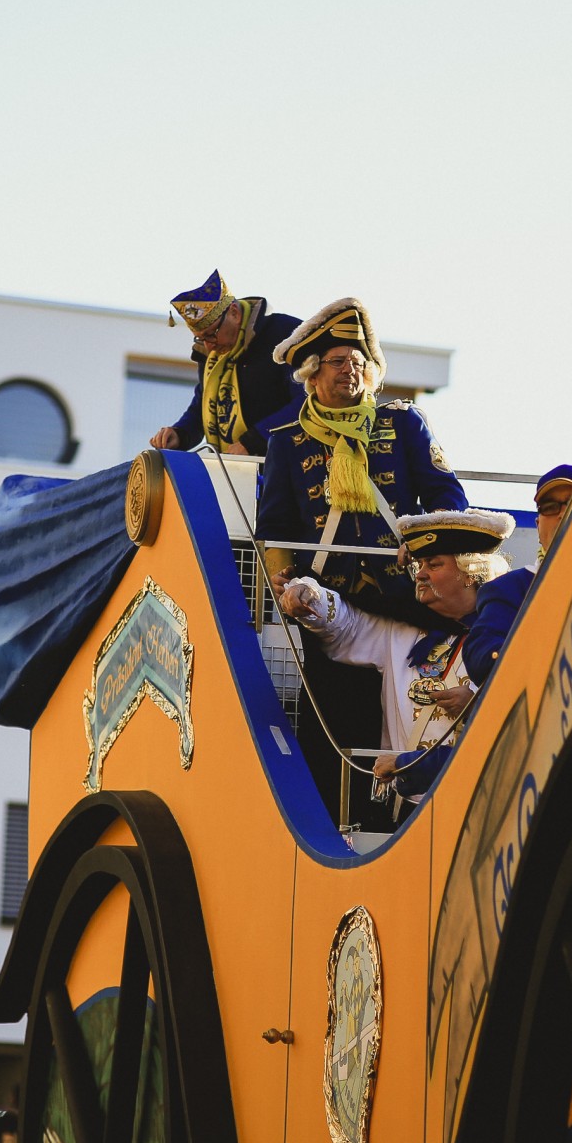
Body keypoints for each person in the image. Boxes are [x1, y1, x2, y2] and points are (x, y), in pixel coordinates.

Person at [257, 298, 468, 830]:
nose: (350, 370)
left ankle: (421, 810)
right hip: (334, 606)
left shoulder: (405, 423)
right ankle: (341, 825)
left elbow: (448, 496)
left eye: (357, 361)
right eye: (337, 362)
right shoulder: (287, 441)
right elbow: (277, 525)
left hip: (410, 598)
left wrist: (427, 540)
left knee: (427, 707)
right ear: (312, 374)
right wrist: (282, 579)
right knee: (337, 720)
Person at [276, 509, 514, 819]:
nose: (421, 574)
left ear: (471, 572)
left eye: (434, 564)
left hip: (481, 805)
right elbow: (345, 625)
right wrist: (310, 595)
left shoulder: (509, 631)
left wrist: (477, 703)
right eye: (420, 564)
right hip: (407, 808)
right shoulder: (401, 629)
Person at [148, 270, 303, 456]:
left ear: (234, 313)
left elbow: (306, 404)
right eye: (200, 338)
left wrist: (254, 441)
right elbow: (202, 408)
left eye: (211, 334)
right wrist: (179, 434)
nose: (208, 346)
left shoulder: (285, 334)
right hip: (232, 470)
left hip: (286, 465)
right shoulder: (210, 354)